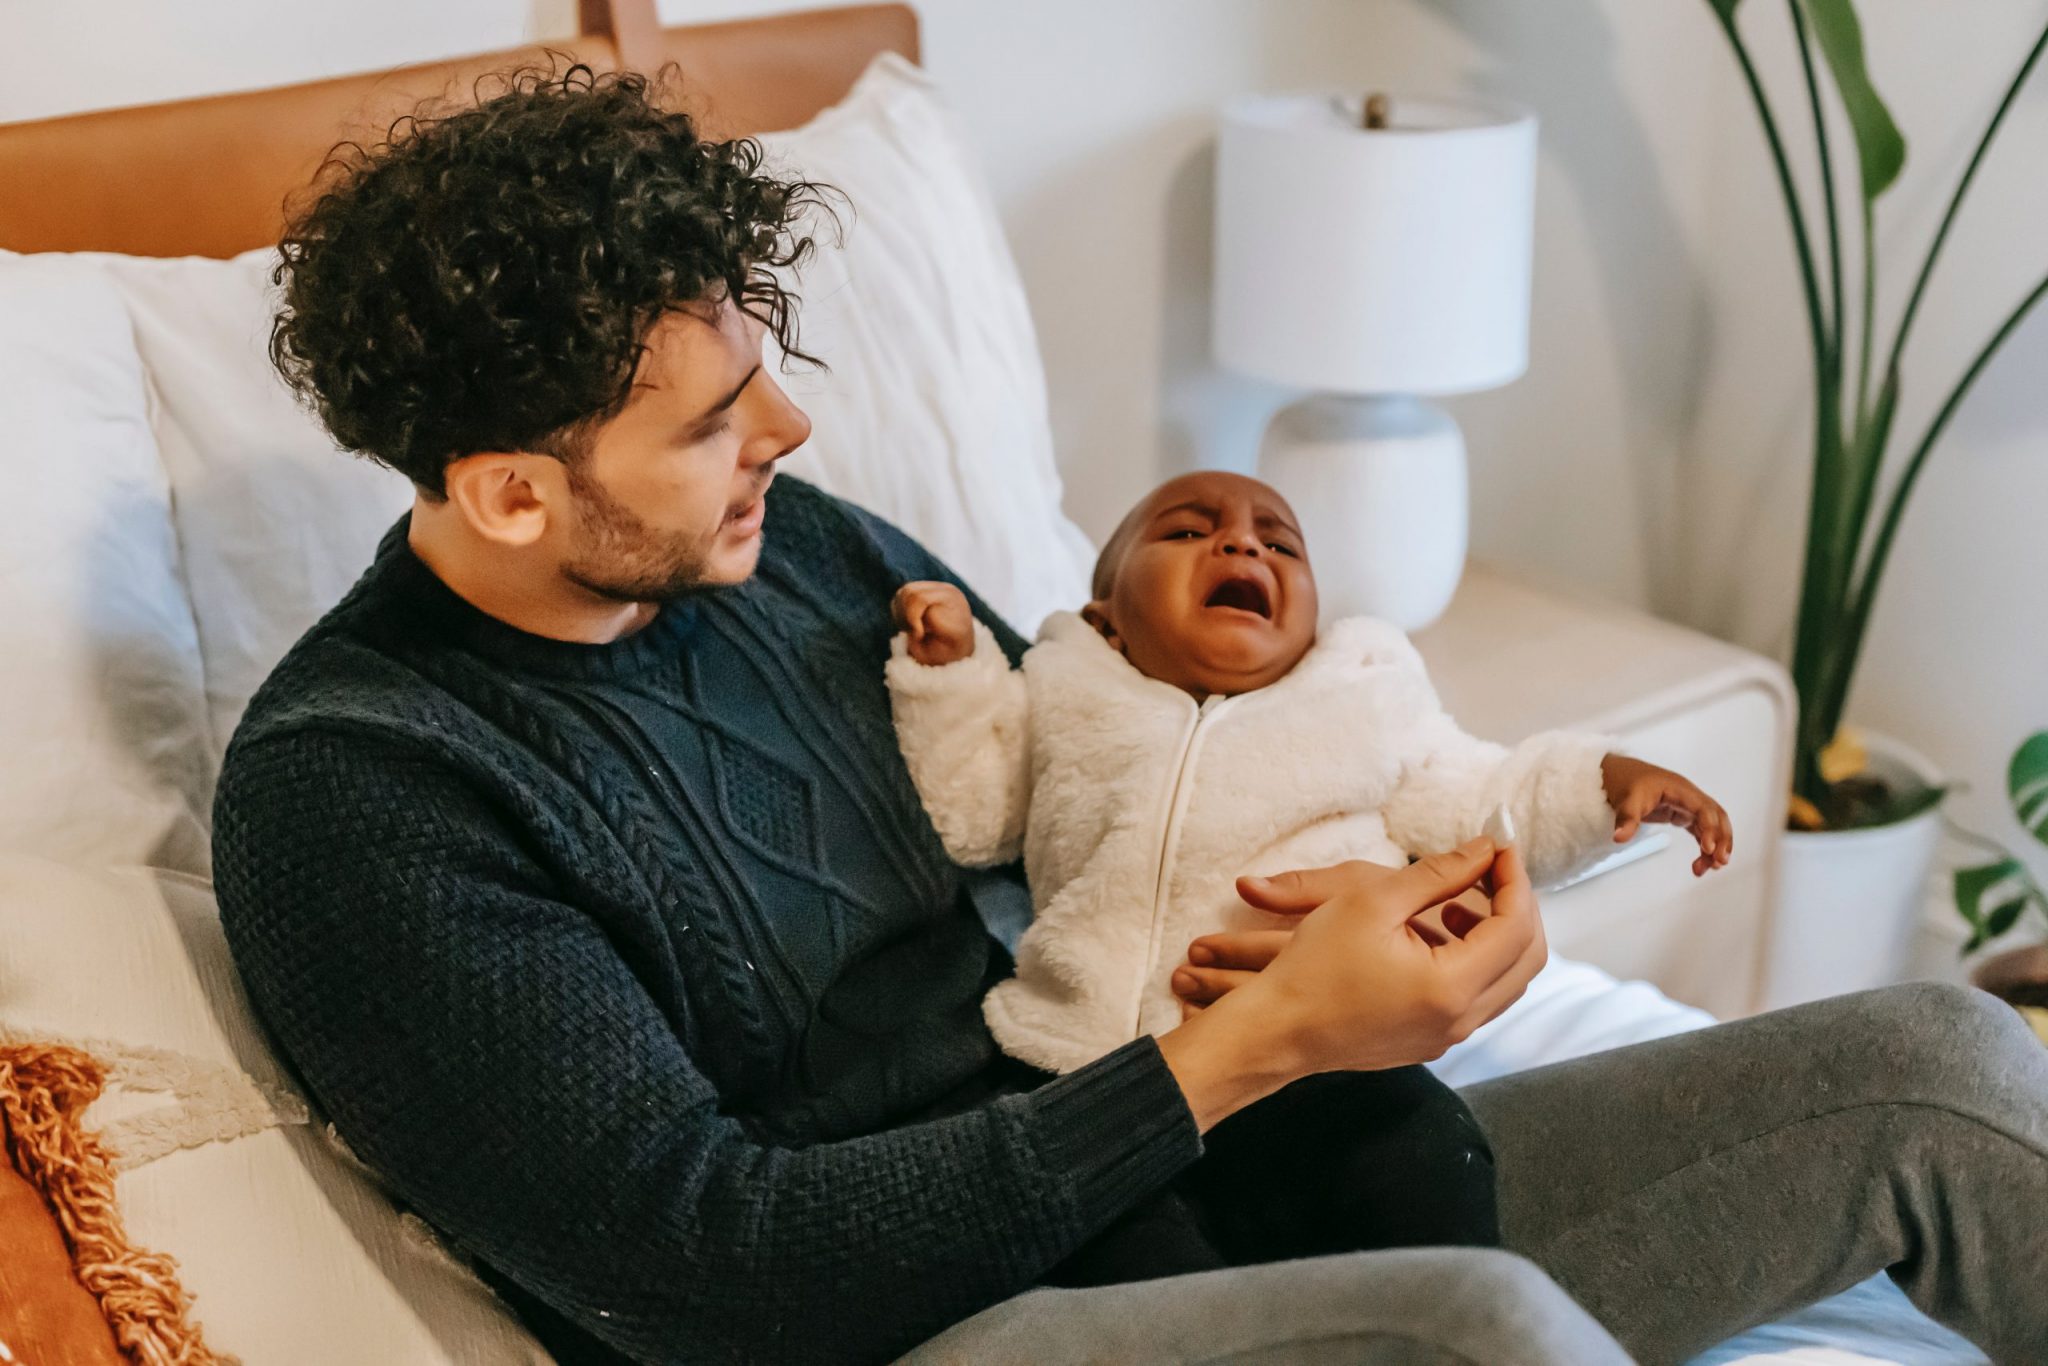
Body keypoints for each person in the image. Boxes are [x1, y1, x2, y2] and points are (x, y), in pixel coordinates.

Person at [212, 65, 2048, 1366]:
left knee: (1931, 1071)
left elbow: (1081, 768)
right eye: (708, 424)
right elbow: (710, 1278)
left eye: (758, 381)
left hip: (1140, 1160)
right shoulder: (369, 801)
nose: (784, 438)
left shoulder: (791, 550)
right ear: (512, 492)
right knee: (1470, 1333)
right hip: (899, 1320)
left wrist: (1323, 916)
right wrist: (1251, 1054)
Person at [885, 469, 1727, 1284]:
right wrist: (951, 673)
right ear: (1105, 618)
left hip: (1322, 1063)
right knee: (1126, 1262)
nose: (1242, 546)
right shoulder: (1061, 690)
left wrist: (1604, 782)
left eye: (1280, 545)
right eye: (1187, 530)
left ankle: (1452, 1324)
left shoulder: (1359, 702)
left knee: (1430, 1157)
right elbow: (976, 812)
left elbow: (1482, 793)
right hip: (1091, 1067)